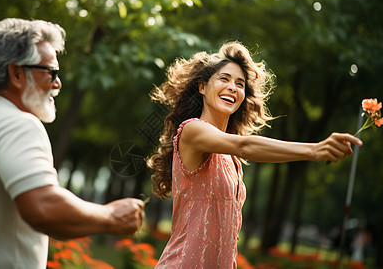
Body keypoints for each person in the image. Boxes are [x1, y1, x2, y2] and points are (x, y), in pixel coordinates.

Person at [0, 18, 144, 269]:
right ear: (16, 73)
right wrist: (111, 216)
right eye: (51, 72)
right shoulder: (18, 124)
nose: (58, 83)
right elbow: (43, 208)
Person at [146, 41, 363, 268]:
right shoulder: (192, 130)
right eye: (224, 79)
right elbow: (245, 146)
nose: (232, 87)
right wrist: (314, 149)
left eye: (240, 84)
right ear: (202, 87)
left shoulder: (230, 159)